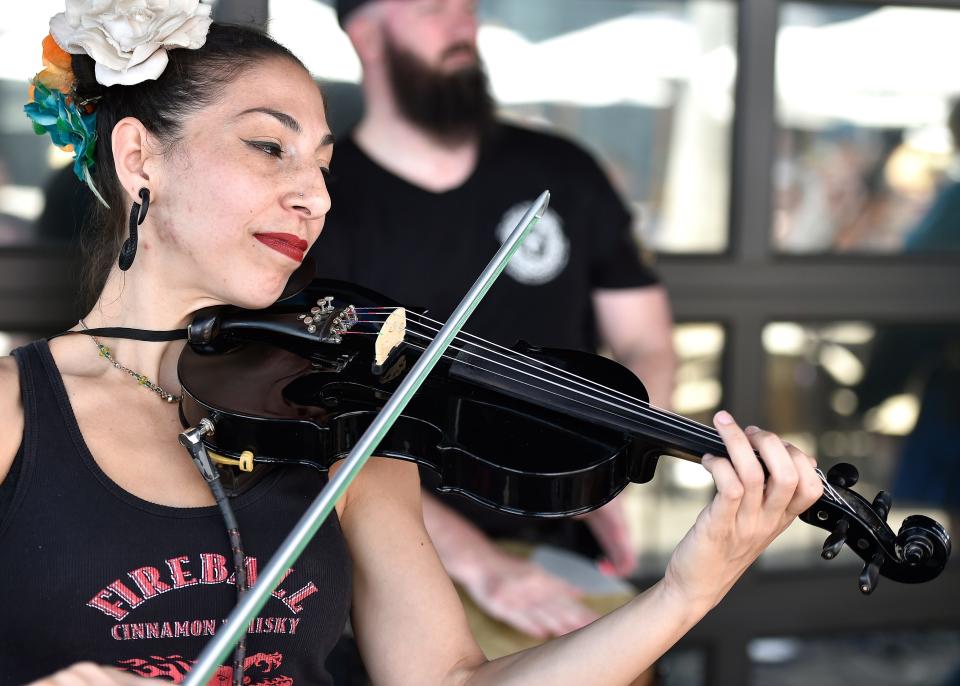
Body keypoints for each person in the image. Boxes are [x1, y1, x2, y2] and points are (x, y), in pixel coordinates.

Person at [1, 3, 824, 684]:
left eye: (323, 164)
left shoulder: (335, 421)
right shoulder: (15, 414)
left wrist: (686, 591)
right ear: (140, 157)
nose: (315, 196)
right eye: (268, 146)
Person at [310, 0, 678, 644]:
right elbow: (325, 439)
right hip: (399, 545)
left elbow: (646, 339)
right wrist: (482, 566)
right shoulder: (319, 203)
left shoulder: (564, 171)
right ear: (366, 34)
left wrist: (618, 457)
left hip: (556, 527)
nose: (463, 24)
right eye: (434, 10)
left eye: (467, 7)